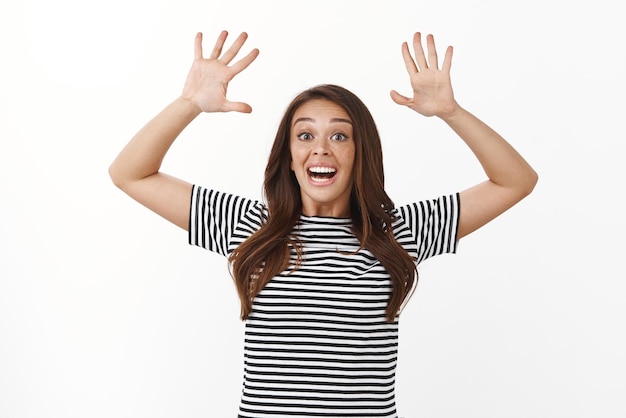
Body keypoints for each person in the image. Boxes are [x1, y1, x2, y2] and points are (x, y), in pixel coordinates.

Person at [109, 30, 537, 418]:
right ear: (290, 158)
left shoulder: (400, 232)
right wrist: (188, 104)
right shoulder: (248, 226)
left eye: (339, 135)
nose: (321, 150)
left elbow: (515, 181)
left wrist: (451, 112)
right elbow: (130, 173)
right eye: (305, 135)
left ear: (359, 152)